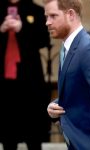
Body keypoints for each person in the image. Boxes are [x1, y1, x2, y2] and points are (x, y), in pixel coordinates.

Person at [44, 0, 90, 149]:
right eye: (46, 17)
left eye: (53, 16)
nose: (47, 22)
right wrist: (56, 106)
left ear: (71, 15)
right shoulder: (68, 47)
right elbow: (80, 93)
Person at [0, 0, 51, 150]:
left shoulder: (36, 10)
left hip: (30, 80)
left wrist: (23, 28)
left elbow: (44, 40)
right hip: (4, 81)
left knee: (33, 132)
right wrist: (1, 29)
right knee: (7, 134)